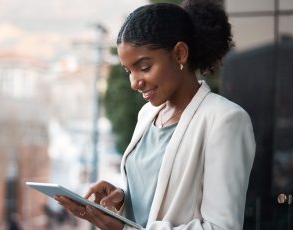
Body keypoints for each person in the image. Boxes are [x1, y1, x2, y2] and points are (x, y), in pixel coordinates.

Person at [55, 0, 256, 229]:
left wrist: (124, 229)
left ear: (180, 54)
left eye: (144, 67)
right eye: (128, 70)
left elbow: (222, 227)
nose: (133, 82)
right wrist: (123, 200)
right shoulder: (147, 114)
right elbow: (157, 204)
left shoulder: (225, 120)